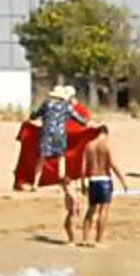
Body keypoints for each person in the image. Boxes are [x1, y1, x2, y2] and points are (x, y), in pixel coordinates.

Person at [36, 85, 81, 242]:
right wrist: (88, 124)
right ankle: (62, 182)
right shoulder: (66, 106)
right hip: (60, 135)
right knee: (61, 158)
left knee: (41, 159)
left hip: (47, 133)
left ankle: (35, 184)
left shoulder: (47, 104)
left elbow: (35, 115)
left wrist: (33, 118)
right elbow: (78, 118)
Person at [76, 128, 124, 247]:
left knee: (90, 210)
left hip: (92, 180)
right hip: (104, 180)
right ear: (106, 133)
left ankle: (85, 239)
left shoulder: (89, 145)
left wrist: (82, 184)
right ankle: (98, 241)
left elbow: (83, 167)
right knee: (103, 210)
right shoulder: (106, 145)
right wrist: (122, 180)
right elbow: (112, 164)